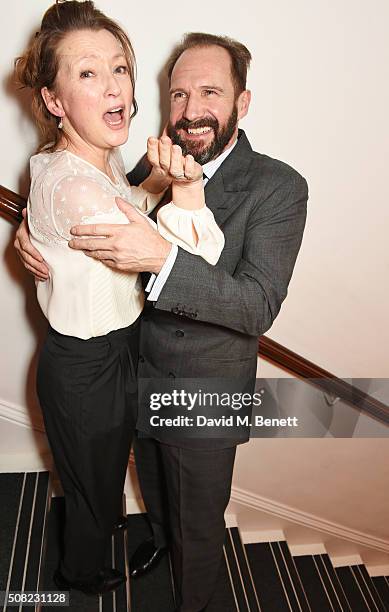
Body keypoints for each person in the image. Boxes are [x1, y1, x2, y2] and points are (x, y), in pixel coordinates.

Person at [15, 31, 308, 612]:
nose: (190, 111)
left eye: (210, 92)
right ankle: (157, 544)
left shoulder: (279, 186)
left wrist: (162, 260)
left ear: (241, 103)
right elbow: (99, 203)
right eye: (178, 94)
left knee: (199, 535)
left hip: (204, 394)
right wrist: (31, 224)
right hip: (133, 368)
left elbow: (256, 307)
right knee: (153, 493)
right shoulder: (157, 155)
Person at [14, 3, 224, 600]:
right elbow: (184, 261)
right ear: (54, 101)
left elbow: (126, 194)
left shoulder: (90, 157)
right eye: (87, 74)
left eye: (120, 68)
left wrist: (153, 182)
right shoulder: (75, 184)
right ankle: (75, 575)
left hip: (118, 347)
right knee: (92, 488)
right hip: (86, 365)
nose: (115, 88)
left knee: (103, 473)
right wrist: (185, 187)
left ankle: (87, 547)